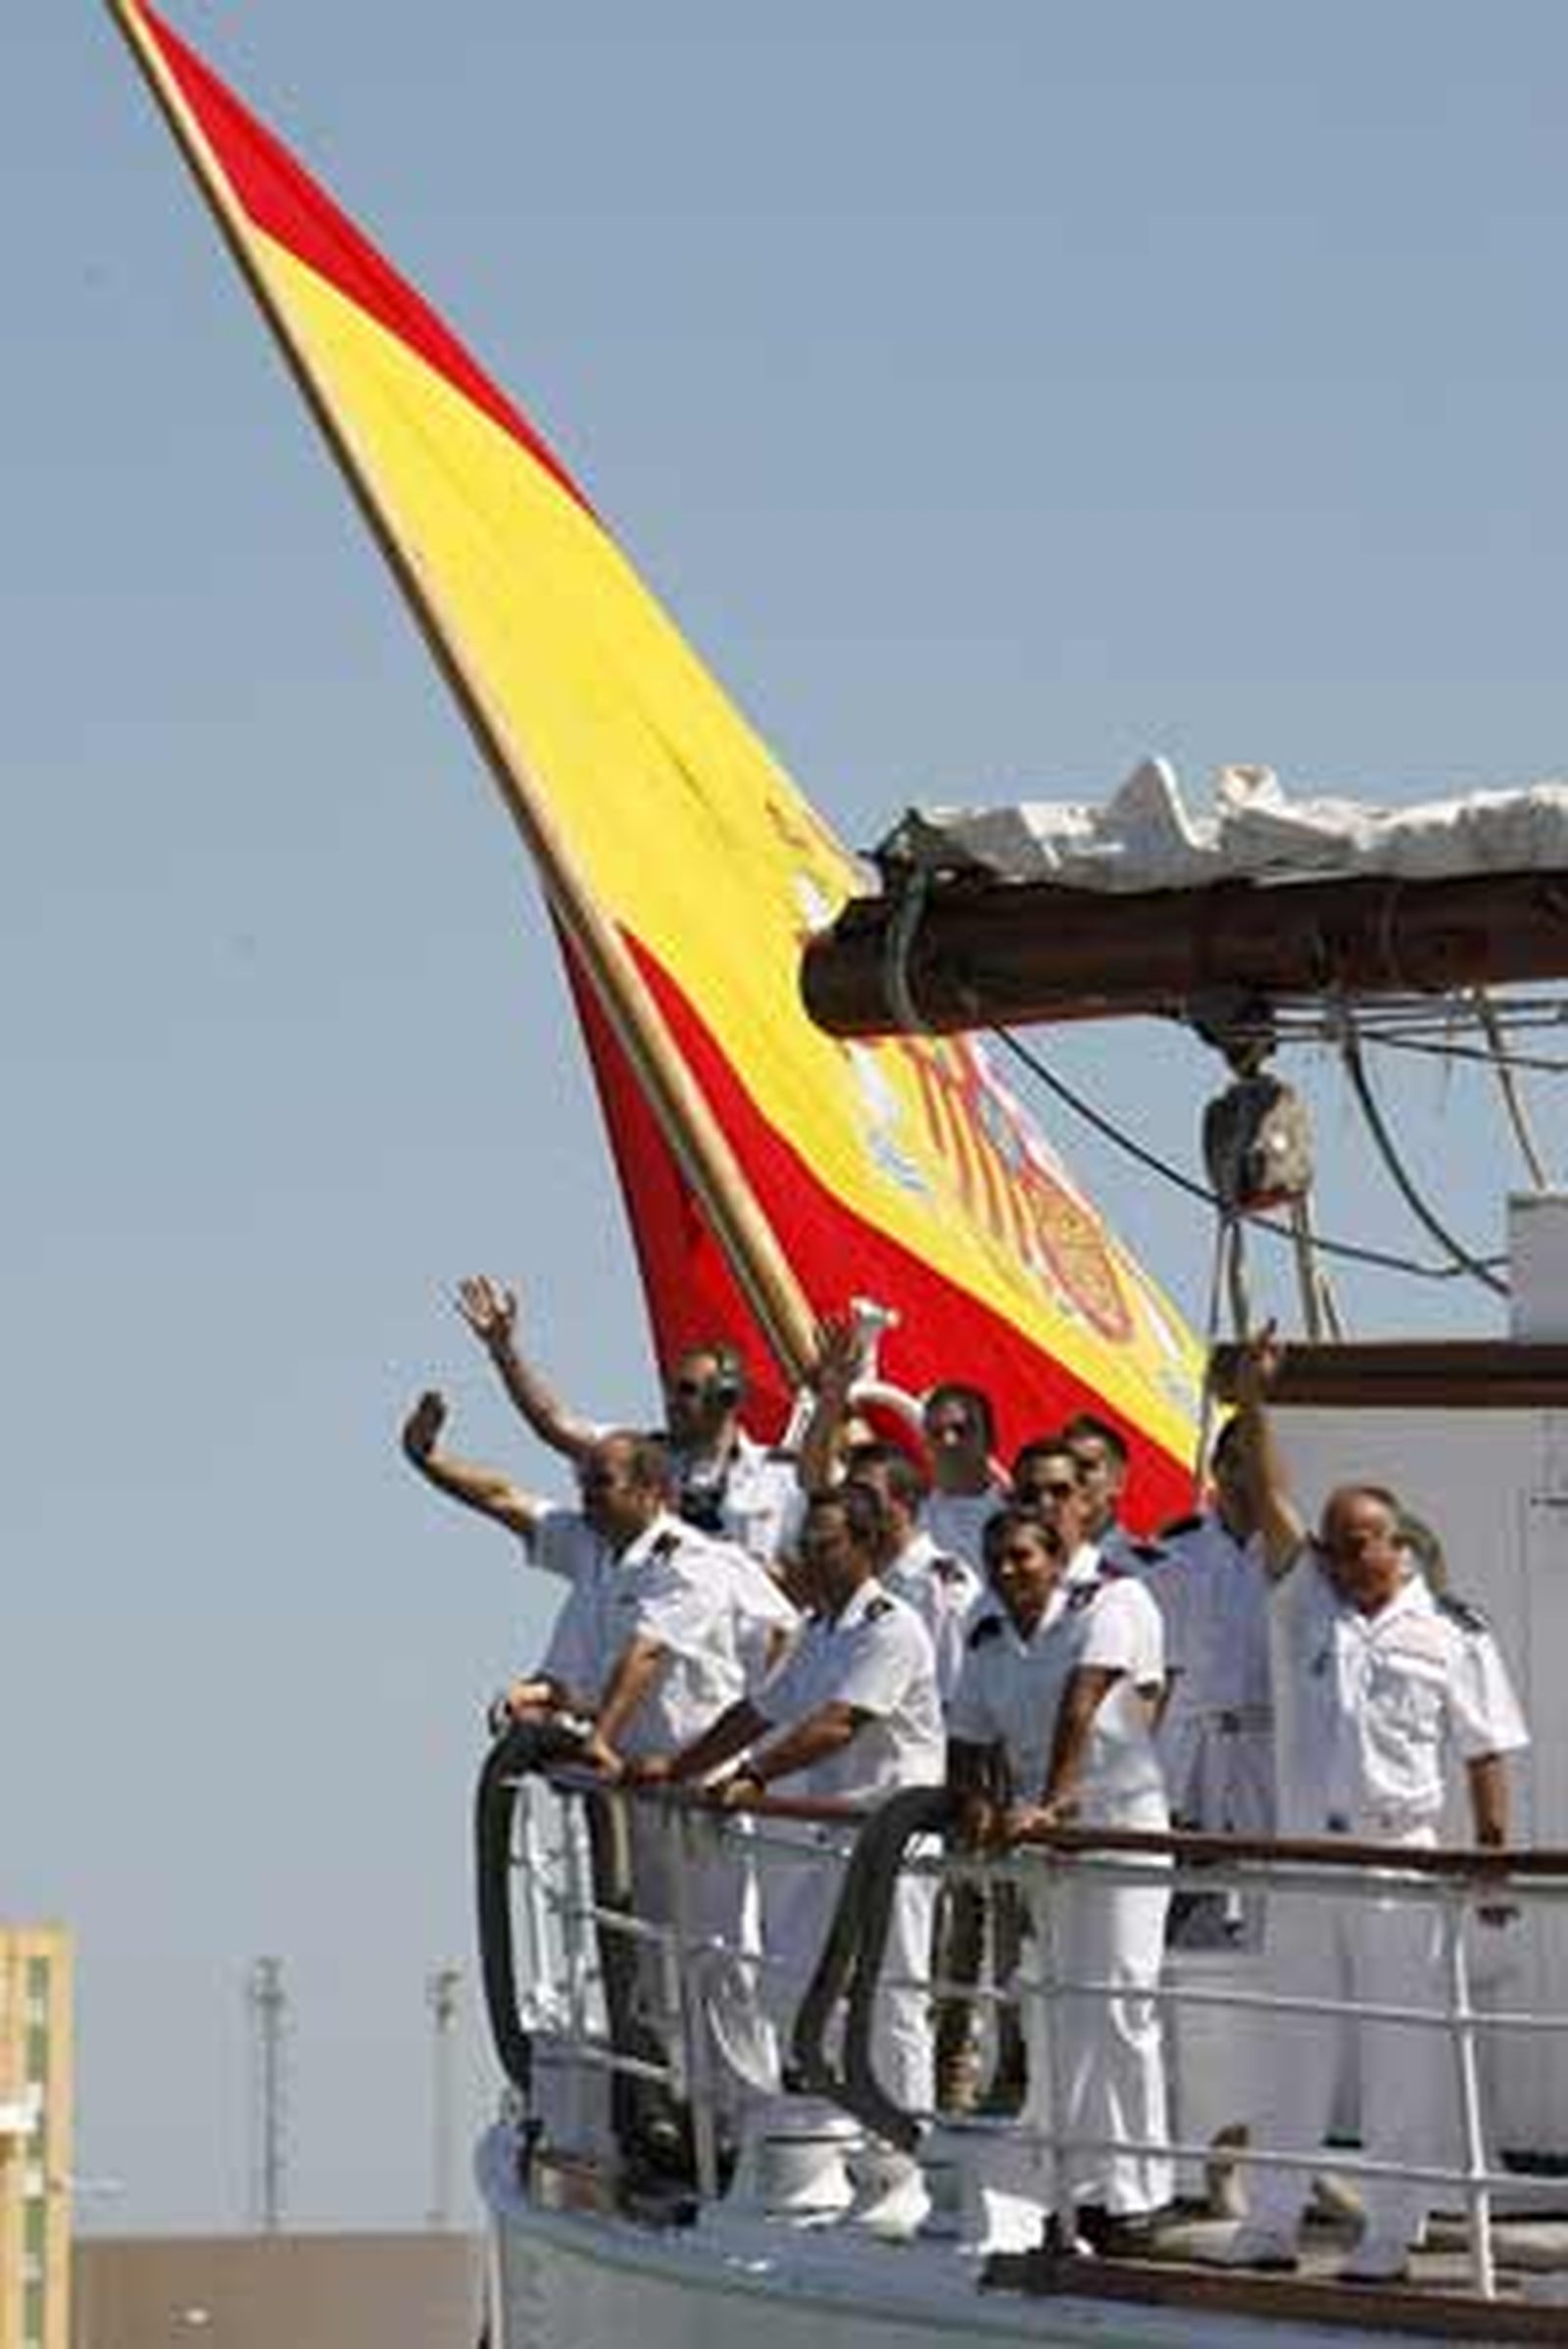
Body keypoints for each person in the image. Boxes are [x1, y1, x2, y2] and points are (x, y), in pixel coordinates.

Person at [1222, 1329, 1530, 2283]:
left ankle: (1389, 2234)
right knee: (1296, 2048)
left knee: (1403, 2057)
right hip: (1306, 1862)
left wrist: (1490, 1859)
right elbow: (1271, 1499)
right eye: (1333, 1542)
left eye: (1360, 1542)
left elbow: (1485, 1748)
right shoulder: (1302, 1604)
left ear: (1398, 1544)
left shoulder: (1450, 1633)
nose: (1343, 1556)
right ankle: (1270, 2224)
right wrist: (1254, 1402)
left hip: (1400, 1861)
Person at [641, 1483, 945, 2237]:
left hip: (893, 1839)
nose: (811, 1554)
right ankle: (845, 2135)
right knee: (794, 1987)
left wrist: (753, 1777)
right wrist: (681, 1767)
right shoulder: (820, 1629)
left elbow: (838, 1723)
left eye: (826, 1542)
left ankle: (905, 2157)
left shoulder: (892, 1626)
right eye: (807, 1542)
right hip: (831, 1839)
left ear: (866, 1546)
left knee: (893, 1996)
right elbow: (759, 1710)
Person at [948, 1504, 1173, 2254]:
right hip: (1045, 1843)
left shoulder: (1105, 1603)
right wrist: (975, 1803)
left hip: (1117, 1827)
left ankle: (1138, 2196)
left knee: (1123, 2006)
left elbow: (1083, 1702)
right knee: (1064, 2014)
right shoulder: (986, 1640)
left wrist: (1052, 1801)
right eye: (998, 1559)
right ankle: (1078, 2189)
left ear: (1055, 1556)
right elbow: (968, 1738)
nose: (1010, 1569)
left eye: (1024, 1555)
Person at [454, 1274, 800, 1563]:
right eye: (670, 1389)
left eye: (687, 1390)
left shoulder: (777, 1476)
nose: (672, 1401)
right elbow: (554, 1424)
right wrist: (505, 1353)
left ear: (726, 1398)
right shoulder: (640, 1459)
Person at [1146, 1414, 1274, 1843]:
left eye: (1255, 1464)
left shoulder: (1294, 1563)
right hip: (1189, 1759)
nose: (1243, 1478)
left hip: (1267, 1757)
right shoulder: (1170, 1556)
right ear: (1216, 1468)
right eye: (1234, 1462)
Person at [1061, 1411, 1165, 1574]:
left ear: (1118, 1482)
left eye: (1087, 1466)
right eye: (1065, 1465)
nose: (1072, 1476)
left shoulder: (1145, 1572)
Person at [921, 1382, 1005, 1573]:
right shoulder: (910, 1524)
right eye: (936, 1433)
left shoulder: (1014, 1517)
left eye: (961, 1430)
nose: (949, 1441)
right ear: (925, 1445)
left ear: (990, 1439)